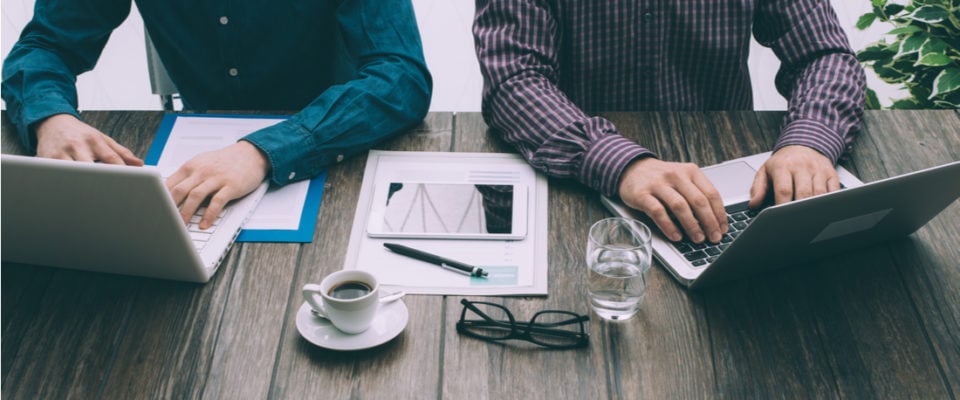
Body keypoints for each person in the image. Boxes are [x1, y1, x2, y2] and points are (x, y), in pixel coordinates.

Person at [2, 0, 432, 229]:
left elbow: (400, 76)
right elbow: (45, 45)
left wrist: (263, 152)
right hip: (196, 159)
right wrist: (50, 117)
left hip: (343, 150)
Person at [473, 0, 866, 244]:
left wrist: (809, 142)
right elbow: (513, 81)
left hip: (724, 191)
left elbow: (824, 54)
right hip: (572, 189)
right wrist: (620, 162)